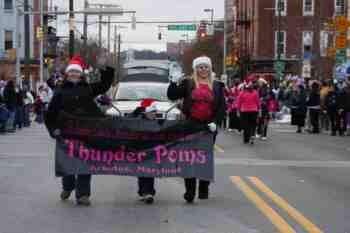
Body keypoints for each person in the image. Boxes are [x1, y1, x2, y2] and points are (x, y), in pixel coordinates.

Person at [44, 55, 114, 206]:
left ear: (81, 74)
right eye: (72, 72)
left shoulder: (88, 88)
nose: (74, 74)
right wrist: (54, 129)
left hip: (86, 133)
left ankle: (83, 195)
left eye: (77, 72)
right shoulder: (60, 91)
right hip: (66, 134)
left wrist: (105, 68)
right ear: (67, 74)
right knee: (68, 164)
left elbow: (105, 84)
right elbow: (50, 113)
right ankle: (68, 187)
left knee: (85, 163)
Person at [167, 56, 226, 203]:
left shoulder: (217, 85)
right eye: (200, 67)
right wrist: (173, 82)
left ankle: (204, 188)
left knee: (204, 159)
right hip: (191, 125)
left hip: (208, 127)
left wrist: (215, 122)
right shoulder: (188, 83)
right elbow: (172, 95)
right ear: (195, 69)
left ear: (210, 68)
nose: (203, 69)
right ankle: (189, 190)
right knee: (189, 159)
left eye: (206, 67)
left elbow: (221, 108)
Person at [131, 99, 159, 204]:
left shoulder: (157, 123)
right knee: (141, 172)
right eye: (152, 112)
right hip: (139, 151)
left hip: (151, 152)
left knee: (149, 172)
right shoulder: (136, 121)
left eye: (155, 112)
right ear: (145, 112)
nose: (154, 114)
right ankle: (143, 192)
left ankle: (149, 193)